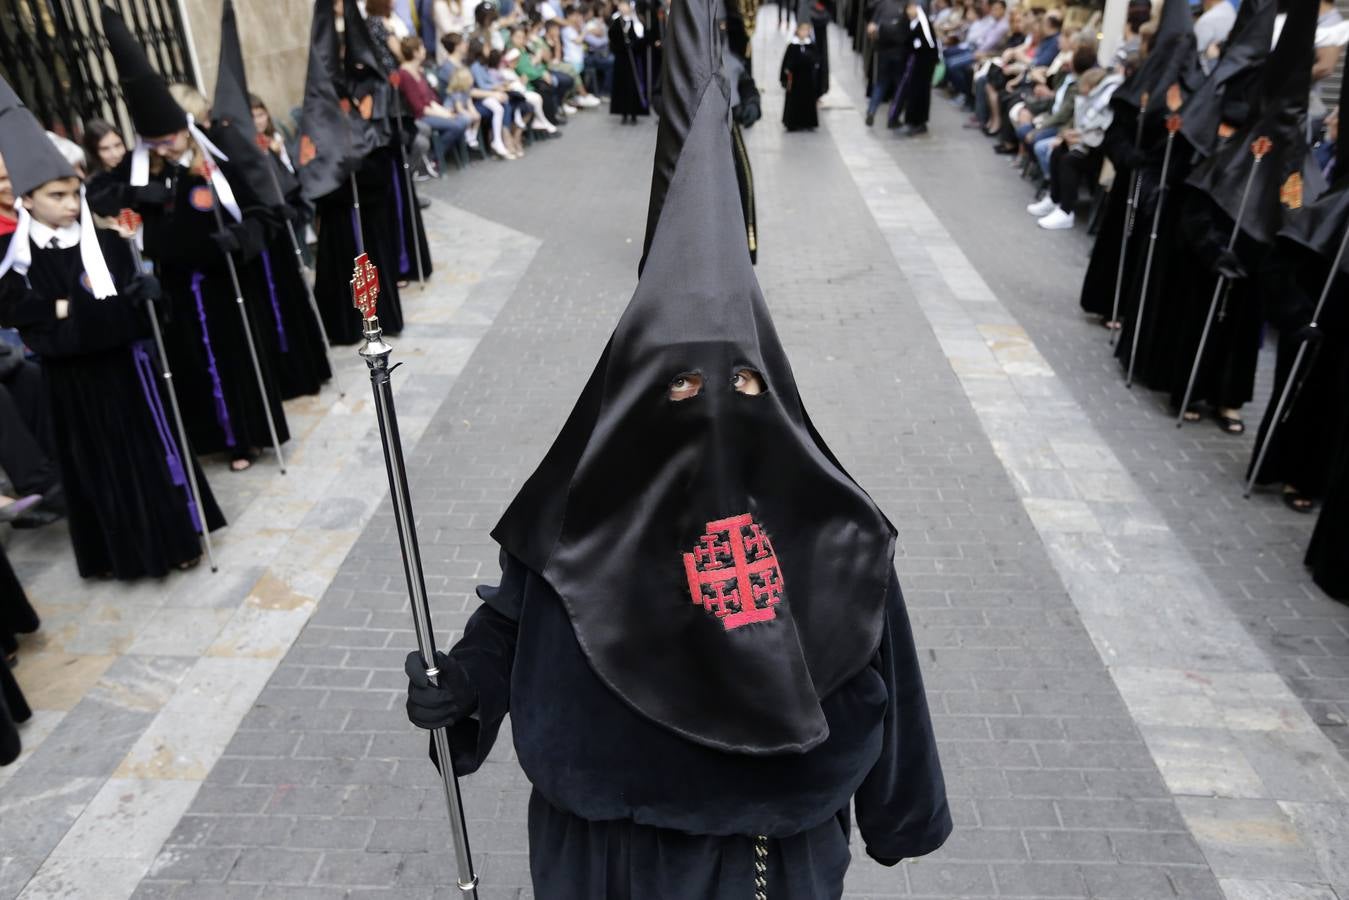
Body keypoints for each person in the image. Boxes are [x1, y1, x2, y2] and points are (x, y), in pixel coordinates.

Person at [402, 0, 952, 892]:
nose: (710, 415)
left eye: (736, 387)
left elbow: (881, 652)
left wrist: (902, 813)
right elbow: (519, 614)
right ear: (626, 392)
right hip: (602, 848)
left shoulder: (828, 521)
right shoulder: (579, 498)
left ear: (769, 384)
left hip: (763, 853)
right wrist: (463, 687)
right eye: (678, 389)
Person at [0, 76, 226, 579]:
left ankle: (175, 541)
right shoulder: (18, 262)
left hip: (126, 373)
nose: (68, 203)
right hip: (76, 388)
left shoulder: (103, 242)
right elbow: (26, 321)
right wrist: (74, 316)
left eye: (73, 192)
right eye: (56, 195)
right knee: (101, 472)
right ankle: (118, 554)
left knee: (148, 459)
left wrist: (147, 300)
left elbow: (131, 313)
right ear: (29, 201)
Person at [90, 8, 292, 470]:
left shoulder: (216, 162)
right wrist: (142, 191)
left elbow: (264, 211)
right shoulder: (138, 171)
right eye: (155, 144)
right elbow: (97, 195)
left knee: (235, 360)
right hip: (176, 288)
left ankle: (248, 437)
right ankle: (210, 437)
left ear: (185, 130)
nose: (165, 150)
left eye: (171, 140)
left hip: (223, 280)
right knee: (192, 366)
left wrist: (239, 238)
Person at [886, 0, 939, 135]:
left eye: (910, 8)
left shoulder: (923, 22)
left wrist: (916, 46)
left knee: (919, 93)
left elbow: (930, 43)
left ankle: (915, 122)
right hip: (917, 62)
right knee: (915, 92)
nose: (908, 12)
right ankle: (916, 121)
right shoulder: (913, 22)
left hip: (924, 63)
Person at [609, 0, 650, 123]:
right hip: (621, 61)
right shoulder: (616, 22)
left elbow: (643, 39)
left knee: (633, 86)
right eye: (621, 5)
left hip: (634, 62)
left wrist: (634, 45)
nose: (622, 7)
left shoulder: (637, 21)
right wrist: (622, 47)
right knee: (622, 86)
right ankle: (623, 113)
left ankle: (634, 113)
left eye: (624, 5)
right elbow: (612, 40)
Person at [780, 20, 821, 131]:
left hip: (807, 81)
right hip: (796, 81)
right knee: (794, 102)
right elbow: (787, 62)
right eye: (802, 30)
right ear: (797, 31)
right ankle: (792, 123)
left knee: (808, 102)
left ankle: (808, 123)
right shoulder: (792, 46)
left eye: (806, 30)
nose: (804, 32)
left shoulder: (811, 45)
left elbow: (816, 60)